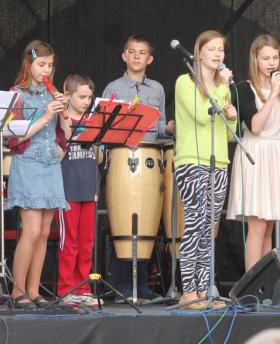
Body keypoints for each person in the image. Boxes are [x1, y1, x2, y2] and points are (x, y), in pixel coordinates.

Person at [102, 34, 175, 302]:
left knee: (146, 221)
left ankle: (142, 284)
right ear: (124, 56)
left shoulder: (157, 89)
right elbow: (103, 126)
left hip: (149, 160)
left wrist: (169, 127)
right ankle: (120, 284)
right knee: (123, 221)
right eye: (131, 52)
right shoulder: (113, 87)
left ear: (150, 59)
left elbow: (160, 126)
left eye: (142, 53)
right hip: (123, 158)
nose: (136, 56)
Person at [174, 30, 237, 310]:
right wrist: (222, 89)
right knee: (195, 224)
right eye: (211, 49)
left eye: (220, 50)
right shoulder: (185, 82)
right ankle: (188, 292)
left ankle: (204, 291)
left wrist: (232, 117)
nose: (217, 54)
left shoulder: (222, 88)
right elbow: (202, 115)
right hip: (192, 161)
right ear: (198, 52)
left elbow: (228, 133)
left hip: (219, 162)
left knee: (209, 229)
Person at [7, 40, 71, 309]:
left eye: (50, 65)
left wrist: (64, 112)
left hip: (51, 165)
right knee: (31, 230)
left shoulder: (52, 94)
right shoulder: (17, 95)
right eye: (41, 64)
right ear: (28, 64)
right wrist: (45, 117)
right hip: (28, 163)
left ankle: (33, 290)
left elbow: (66, 135)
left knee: (45, 232)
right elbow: (14, 137)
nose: (46, 70)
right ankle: (17, 290)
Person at [227, 35, 280, 272]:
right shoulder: (243, 89)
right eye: (266, 58)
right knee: (257, 226)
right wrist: (273, 95)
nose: (272, 63)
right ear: (255, 59)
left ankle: (265, 285)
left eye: (275, 57)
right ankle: (252, 284)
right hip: (255, 155)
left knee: (269, 227)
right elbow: (256, 126)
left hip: (275, 154)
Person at [56, 73, 101, 308]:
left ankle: (83, 287)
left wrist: (96, 139)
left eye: (89, 97)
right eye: (81, 97)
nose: (86, 102)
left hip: (89, 189)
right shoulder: (61, 121)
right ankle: (66, 288)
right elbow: (58, 154)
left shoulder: (93, 121)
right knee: (69, 242)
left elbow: (99, 158)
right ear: (68, 95)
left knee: (86, 243)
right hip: (68, 189)